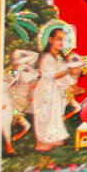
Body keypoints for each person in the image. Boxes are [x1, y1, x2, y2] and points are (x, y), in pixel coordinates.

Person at [31, 22, 74, 150]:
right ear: (50, 40)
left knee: (55, 115)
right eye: (58, 39)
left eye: (64, 40)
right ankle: (42, 142)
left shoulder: (59, 58)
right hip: (45, 92)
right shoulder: (47, 57)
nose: (62, 43)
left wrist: (71, 84)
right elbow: (51, 75)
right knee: (45, 115)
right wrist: (66, 71)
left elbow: (63, 75)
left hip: (56, 91)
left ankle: (53, 138)